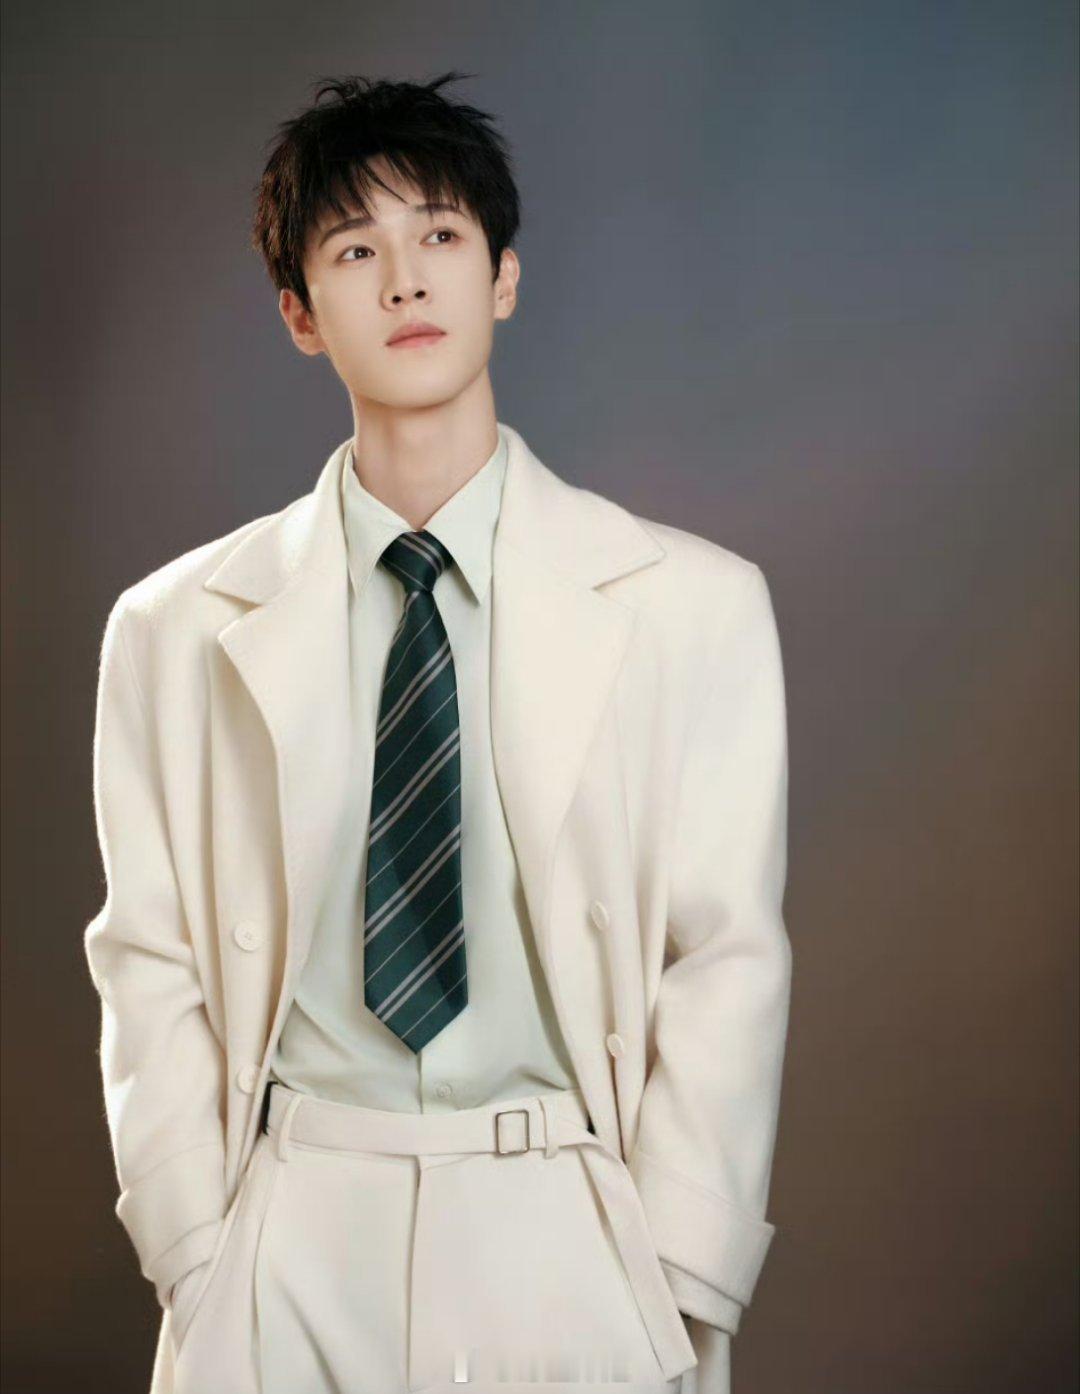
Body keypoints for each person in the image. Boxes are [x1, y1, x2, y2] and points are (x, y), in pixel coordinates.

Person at [83, 71, 792, 1394]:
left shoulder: (694, 608)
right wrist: (193, 1246)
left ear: (503, 278)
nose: (405, 279)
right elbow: (147, 953)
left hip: (569, 1225)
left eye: (442, 235)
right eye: (356, 250)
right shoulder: (169, 630)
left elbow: (726, 954)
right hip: (286, 1231)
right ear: (301, 314)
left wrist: (676, 1271)